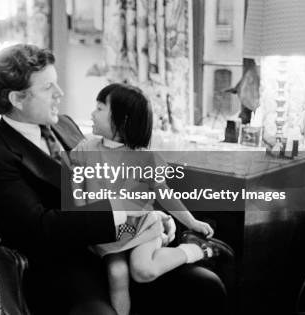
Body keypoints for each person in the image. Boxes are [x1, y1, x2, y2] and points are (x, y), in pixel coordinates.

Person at [0, 44, 228, 315]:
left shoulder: (64, 124)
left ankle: (193, 252)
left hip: (116, 245)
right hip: (64, 266)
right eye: (48, 88)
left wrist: (147, 215)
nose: (60, 93)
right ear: (17, 99)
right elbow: (42, 229)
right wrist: (129, 215)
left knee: (206, 287)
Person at [71, 83, 233, 315]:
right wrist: (81, 214)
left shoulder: (146, 159)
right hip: (106, 229)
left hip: (142, 226)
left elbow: (164, 195)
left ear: (122, 120)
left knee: (143, 270)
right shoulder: (86, 148)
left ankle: (196, 250)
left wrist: (193, 223)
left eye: (99, 109)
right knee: (117, 274)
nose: (92, 114)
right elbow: (75, 182)